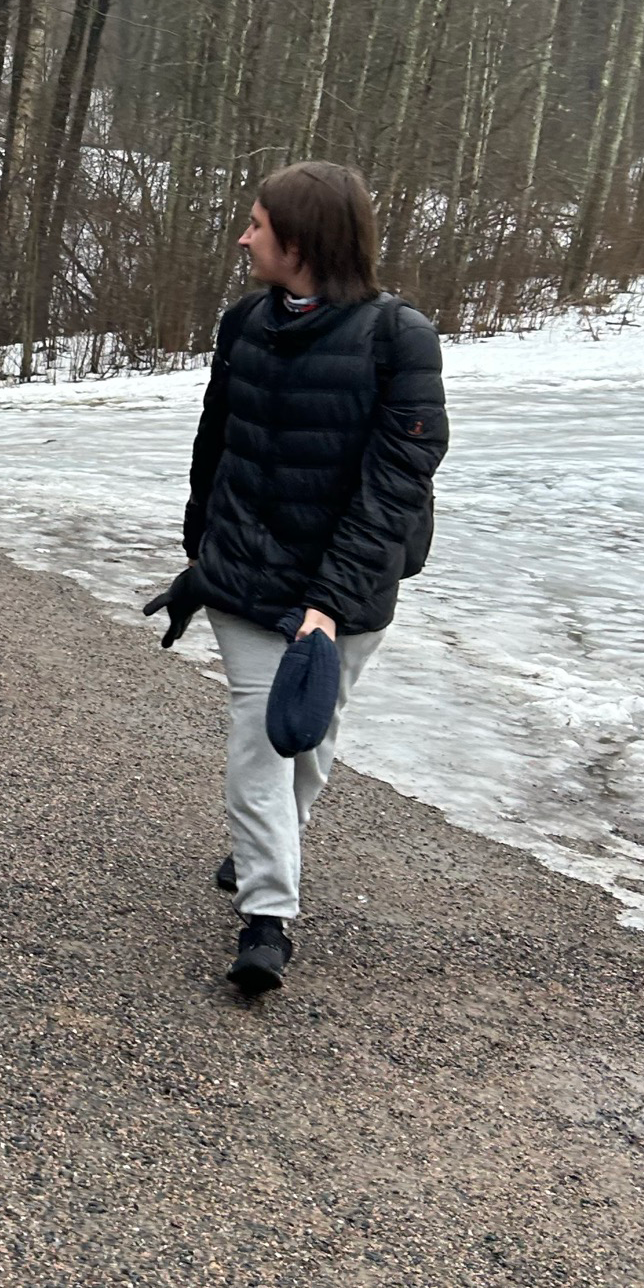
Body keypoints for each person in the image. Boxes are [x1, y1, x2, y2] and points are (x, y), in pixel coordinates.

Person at [158, 160, 448, 998]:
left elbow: (396, 486)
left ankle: (264, 842)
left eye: (257, 223)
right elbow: (217, 447)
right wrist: (200, 558)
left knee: (310, 734)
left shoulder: (400, 340)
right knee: (260, 734)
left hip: (348, 584)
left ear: (302, 239)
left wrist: (327, 604)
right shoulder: (244, 320)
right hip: (247, 576)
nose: (244, 237)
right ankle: (267, 915)